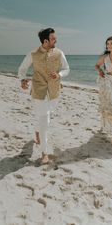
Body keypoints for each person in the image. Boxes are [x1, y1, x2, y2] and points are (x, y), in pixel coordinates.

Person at [18, 28, 70, 164]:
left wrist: (59, 75)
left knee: (42, 117)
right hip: (38, 92)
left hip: (54, 92)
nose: (56, 40)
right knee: (45, 120)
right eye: (53, 38)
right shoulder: (33, 54)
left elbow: (66, 69)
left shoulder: (59, 53)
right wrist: (22, 79)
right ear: (45, 41)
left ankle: (36, 131)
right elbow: (22, 69)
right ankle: (44, 153)